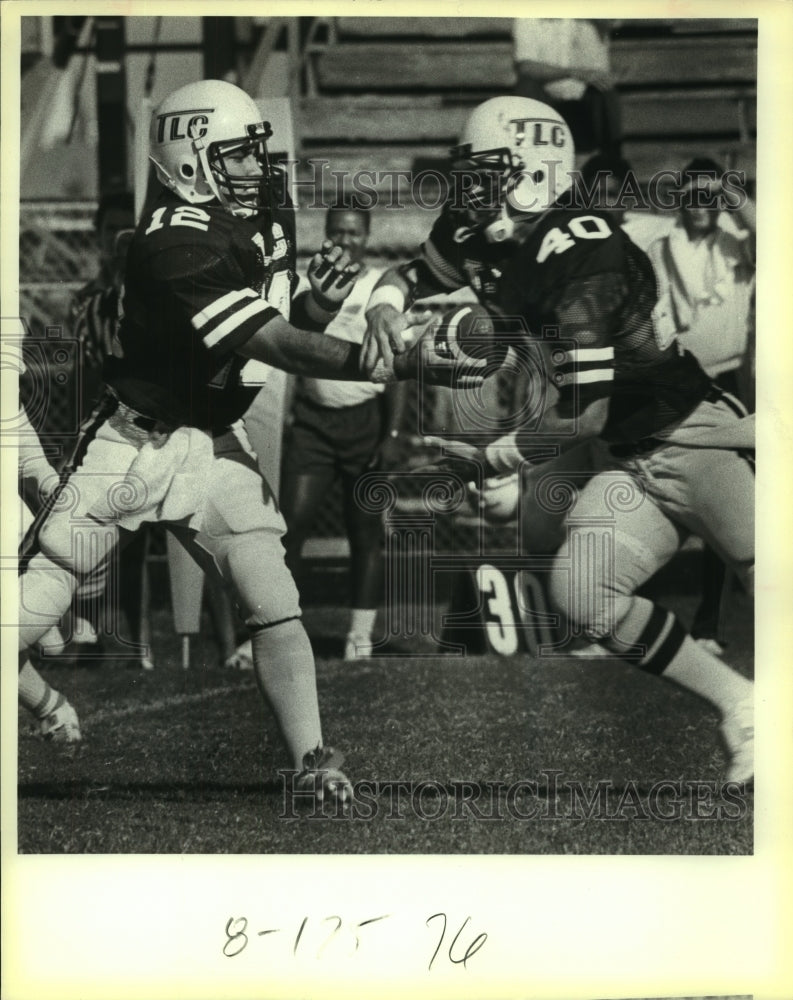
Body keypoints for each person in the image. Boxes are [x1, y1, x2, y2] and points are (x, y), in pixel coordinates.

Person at [17, 79, 471, 806]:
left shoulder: (259, 210)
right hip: (131, 445)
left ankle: (313, 760)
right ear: (187, 158)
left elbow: (282, 321)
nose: (255, 167)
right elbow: (272, 341)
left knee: (273, 595)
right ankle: (42, 702)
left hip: (216, 438)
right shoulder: (171, 240)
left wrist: (320, 303)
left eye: (255, 151)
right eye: (234, 154)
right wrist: (386, 359)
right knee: (32, 612)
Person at [361, 96, 755, 784]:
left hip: (695, 437)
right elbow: (408, 275)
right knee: (579, 590)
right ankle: (743, 707)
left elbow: (585, 416)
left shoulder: (584, 251)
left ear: (532, 172)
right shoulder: (479, 227)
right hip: (633, 461)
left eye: (483, 173)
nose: (466, 189)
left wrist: (497, 458)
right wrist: (383, 309)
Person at [280, 204, 407, 660]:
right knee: (290, 528)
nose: (346, 239)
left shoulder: (380, 287)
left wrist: (390, 437)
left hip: (363, 423)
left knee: (364, 533)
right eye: (338, 231)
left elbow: (396, 367)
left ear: (367, 236)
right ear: (326, 233)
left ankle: (359, 636)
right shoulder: (306, 280)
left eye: (354, 232)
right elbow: (291, 355)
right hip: (313, 422)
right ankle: (282, 631)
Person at [646, 157, 756, 652]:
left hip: (729, 380)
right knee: (663, 484)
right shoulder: (660, 248)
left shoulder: (735, 244)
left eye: (709, 196)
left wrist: (730, 193)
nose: (701, 205)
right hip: (679, 383)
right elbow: (654, 318)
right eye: (693, 194)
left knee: (726, 494)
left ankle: (710, 619)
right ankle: (635, 606)